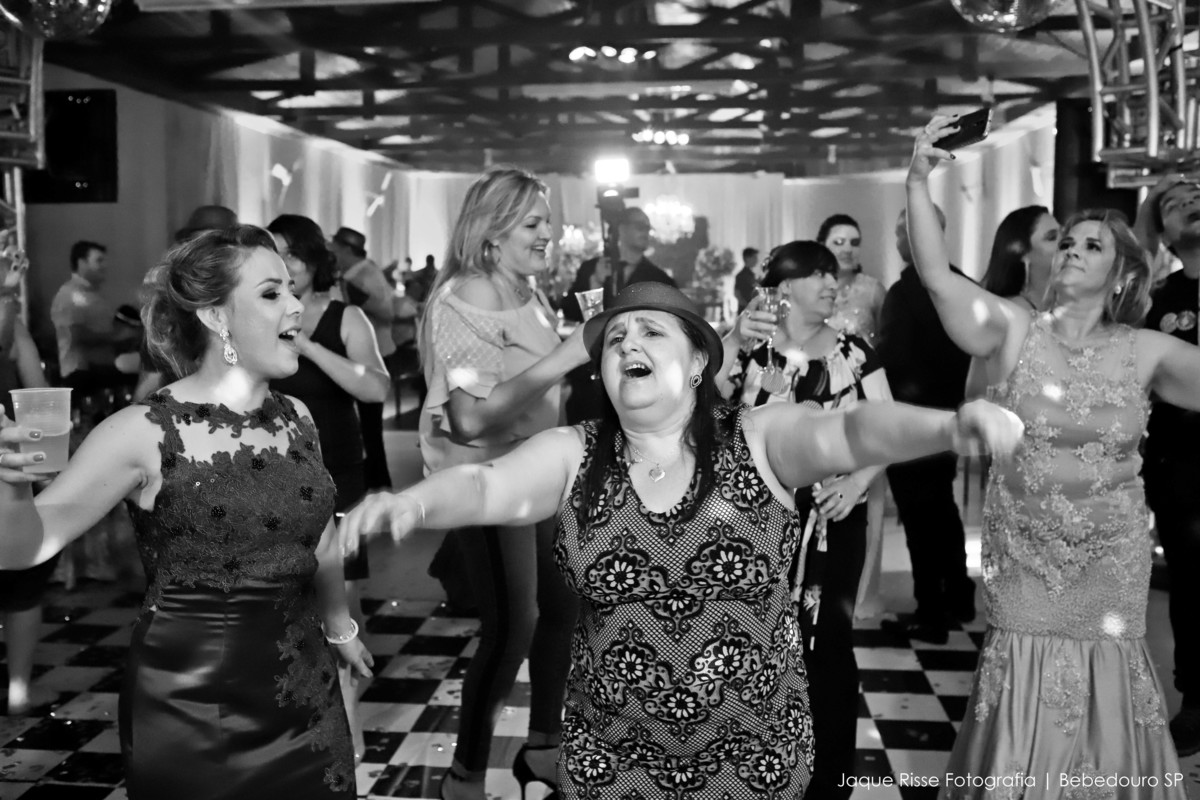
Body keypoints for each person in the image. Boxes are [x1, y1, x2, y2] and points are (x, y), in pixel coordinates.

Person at [339, 280, 1023, 800]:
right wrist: (411, 502)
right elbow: (486, 485)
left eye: (650, 332)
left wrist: (947, 426)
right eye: (615, 338)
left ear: (698, 361)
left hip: (752, 762)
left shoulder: (758, 438)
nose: (627, 345)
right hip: (611, 764)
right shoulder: (574, 452)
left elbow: (850, 431)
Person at [0, 225, 372, 799]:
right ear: (216, 317)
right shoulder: (143, 431)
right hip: (192, 707)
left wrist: (340, 625)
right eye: (272, 293)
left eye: (292, 290)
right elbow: (23, 549)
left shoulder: (297, 416)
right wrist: (11, 487)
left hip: (306, 694)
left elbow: (318, 538)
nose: (296, 305)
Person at [908, 115, 1198, 794]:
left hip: (1110, 560)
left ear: (1122, 272)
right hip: (1027, 558)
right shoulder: (1013, 330)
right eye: (1066, 241)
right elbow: (937, 277)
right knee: (1021, 687)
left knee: (1107, 688)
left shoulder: (1147, 350)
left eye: (1092, 245)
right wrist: (918, 180)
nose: (1072, 251)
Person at [415, 166, 589, 800]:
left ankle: (543, 747)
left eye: (549, 222)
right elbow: (468, 418)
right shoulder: (472, 295)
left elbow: (528, 374)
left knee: (562, 608)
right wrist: (568, 355)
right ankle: (464, 776)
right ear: (491, 233)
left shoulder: (522, 290)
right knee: (514, 623)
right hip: (487, 478)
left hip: (535, 472)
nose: (549, 235)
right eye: (533, 223)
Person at [716, 242, 892, 800]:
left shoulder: (854, 354)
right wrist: (733, 338)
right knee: (753, 641)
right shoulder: (753, 352)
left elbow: (887, 426)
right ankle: (755, 766)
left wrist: (857, 482)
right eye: (818, 273)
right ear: (785, 287)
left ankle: (829, 778)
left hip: (832, 521)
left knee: (828, 644)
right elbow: (699, 406)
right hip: (755, 527)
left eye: (831, 274)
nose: (832, 282)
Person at [267, 214, 391, 764]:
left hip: (340, 475)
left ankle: (347, 726)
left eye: (293, 254)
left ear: (314, 260)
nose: (285, 266)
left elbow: (376, 387)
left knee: (342, 603)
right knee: (286, 600)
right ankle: (293, 723)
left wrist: (310, 347)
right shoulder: (261, 316)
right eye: (275, 255)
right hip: (275, 479)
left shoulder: (346, 317)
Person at [876, 206, 975, 644]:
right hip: (952, 416)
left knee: (920, 516)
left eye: (906, 231)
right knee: (942, 510)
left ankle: (930, 611)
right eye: (899, 231)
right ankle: (958, 595)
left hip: (912, 420)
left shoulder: (904, 292)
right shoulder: (965, 285)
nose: (901, 240)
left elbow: (892, 361)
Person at [1134, 176, 1200, 757]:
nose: (1190, 205)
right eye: (1175, 205)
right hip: (1180, 464)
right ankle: (1195, 697)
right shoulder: (1159, 300)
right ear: (1164, 232)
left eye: (1197, 196)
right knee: (1193, 583)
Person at [0, 244, 60, 716]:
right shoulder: (12, 327)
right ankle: (18, 689)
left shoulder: (13, 327)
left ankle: (19, 690)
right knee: (21, 585)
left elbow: (40, 397)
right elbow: (40, 398)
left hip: (12, 470)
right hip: (12, 472)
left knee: (23, 582)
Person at [563, 206, 675, 423]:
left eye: (648, 227)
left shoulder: (659, 278)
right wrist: (594, 281)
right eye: (639, 226)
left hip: (635, 372)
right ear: (620, 230)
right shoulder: (591, 267)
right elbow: (569, 310)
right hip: (589, 377)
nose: (645, 231)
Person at [964, 206, 1061, 400]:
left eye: (1065, 235)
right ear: (1023, 253)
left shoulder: (1060, 309)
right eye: (1052, 238)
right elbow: (977, 395)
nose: (1066, 244)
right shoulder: (1010, 312)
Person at [330, 226, 394, 490]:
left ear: (346, 249)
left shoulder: (365, 275)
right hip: (360, 355)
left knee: (369, 426)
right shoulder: (356, 273)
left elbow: (387, 310)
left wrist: (355, 302)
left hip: (371, 355)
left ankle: (377, 482)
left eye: (335, 247)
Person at [818, 214, 885, 346]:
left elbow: (889, 343)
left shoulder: (872, 291)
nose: (848, 249)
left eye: (854, 243)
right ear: (822, 246)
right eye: (839, 242)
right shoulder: (809, 289)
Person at [733, 246, 761, 313]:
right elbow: (737, 294)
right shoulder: (742, 276)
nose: (757, 260)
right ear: (748, 258)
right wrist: (747, 307)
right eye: (754, 257)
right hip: (746, 311)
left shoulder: (752, 275)